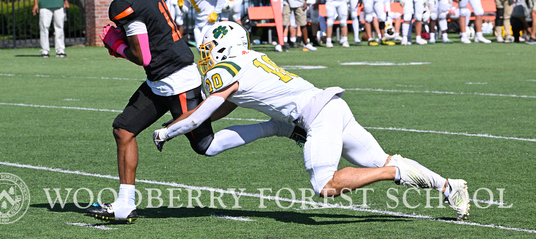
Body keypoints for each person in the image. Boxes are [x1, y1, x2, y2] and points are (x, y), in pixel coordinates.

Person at [153, 21, 470, 221]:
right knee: (381, 159)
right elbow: (220, 110)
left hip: (318, 118)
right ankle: (448, 185)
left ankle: (395, 172)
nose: (206, 55)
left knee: (326, 185)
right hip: (332, 106)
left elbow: (207, 112)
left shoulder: (227, 70)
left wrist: (169, 131)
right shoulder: (250, 60)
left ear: (225, 46)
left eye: (209, 48)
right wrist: (180, 124)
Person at [88, 0, 295, 223]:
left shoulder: (125, 2)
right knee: (123, 129)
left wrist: (116, 45)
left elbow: (142, 56)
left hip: (177, 79)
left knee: (206, 146)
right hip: (160, 78)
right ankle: (125, 205)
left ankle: (277, 126)